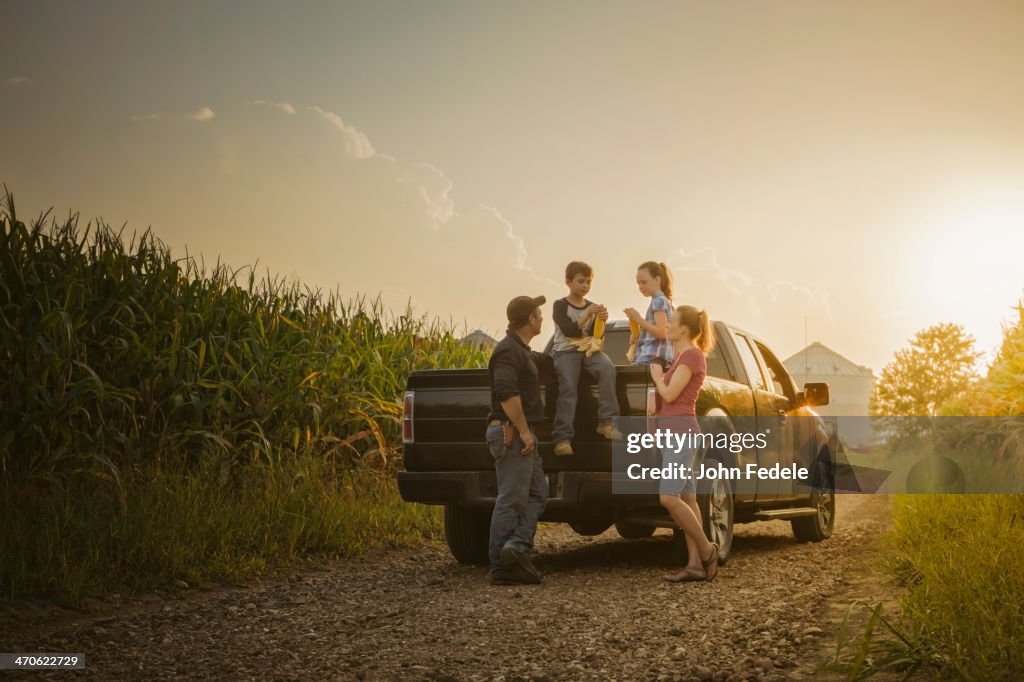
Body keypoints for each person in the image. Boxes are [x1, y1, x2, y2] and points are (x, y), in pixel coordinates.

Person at [650, 305, 720, 582]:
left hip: (682, 434)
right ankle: (694, 565)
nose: (667, 326)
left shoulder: (691, 355)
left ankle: (707, 549)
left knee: (668, 497)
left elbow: (669, 394)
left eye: (672, 322)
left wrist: (657, 378)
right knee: (689, 499)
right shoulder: (682, 356)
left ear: (684, 329)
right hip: (674, 434)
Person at [486, 295, 552, 585]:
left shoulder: (522, 350)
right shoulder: (507, 352)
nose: (542, 318)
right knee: (511, 499)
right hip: (511, 433)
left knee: (538, 492)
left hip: (520, 433)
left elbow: (544, 361)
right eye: (539, 314)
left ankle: (516, 548)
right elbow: (505, 390)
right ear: (530, 320)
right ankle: (501, 568)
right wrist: (523, 429)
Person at [550, 261, 621, 457]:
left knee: (607, 366)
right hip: (566, 351)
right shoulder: (560, 305)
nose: (585, 286)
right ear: (568, 282)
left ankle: (606, 423)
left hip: (588, 350)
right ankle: (562, 438)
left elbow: (593, 334)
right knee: (568, 389)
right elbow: (569, 330)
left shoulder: (591, 306)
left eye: (588, 282)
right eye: (581, 281)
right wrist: (587, 314)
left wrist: (601, 321)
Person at [623, 261, 674, 368]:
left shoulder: (658, 301)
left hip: (652, 357)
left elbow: (661, 332)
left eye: (644, 282)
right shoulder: (664, 301)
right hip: (658, 358)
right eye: (638, 283)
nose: (640, 286)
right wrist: (637, 335)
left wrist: (639, 319)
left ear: (657, 280)